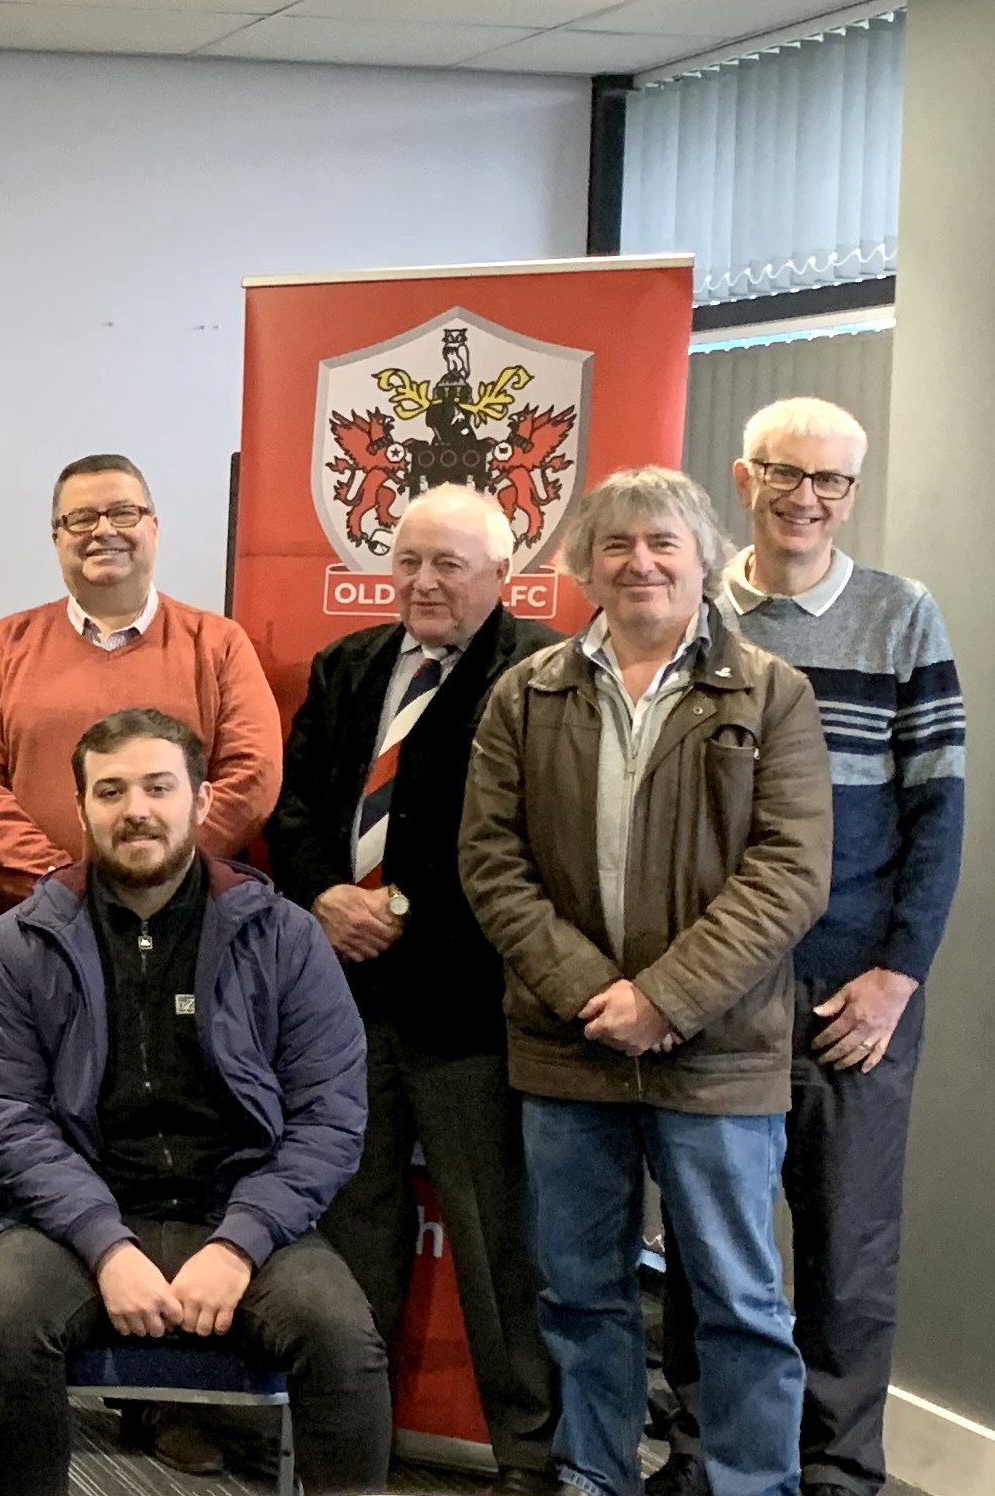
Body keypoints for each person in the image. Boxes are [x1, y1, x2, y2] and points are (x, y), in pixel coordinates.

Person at [459, 466, 832, 1496]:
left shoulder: (771, 690)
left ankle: (754, 1483)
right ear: (582, 565)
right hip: (565, 1049)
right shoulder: (524, 693)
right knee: (579, 1292)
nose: (640, 562)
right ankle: (593, 1473)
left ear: (702, 557)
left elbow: (790, 871)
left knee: (738, 1299)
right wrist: (596, 995)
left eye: (662, 542)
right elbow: (490, 861)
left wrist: (664, 998)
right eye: (616, 544)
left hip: (718, 1054)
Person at [652, 401, 964, 1496]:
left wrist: (896, 976)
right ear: (743, 478)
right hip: (717, 985)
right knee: (706, 1247)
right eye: (787, 474)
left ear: (849, 493)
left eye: (832, 482)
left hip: (853, 991)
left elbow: (938, 813)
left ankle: (837, 1472)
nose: (807, 498)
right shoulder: (692, 611)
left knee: (846, 1254)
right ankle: (702, 1457)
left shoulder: (899, 615)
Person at [0, 707, 387, 1496]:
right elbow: (6, 1117)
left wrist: (239, 1243)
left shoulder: (284, 937)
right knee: (4, 1319)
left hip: (240, 1212)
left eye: (158, 787)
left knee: (340, 1336)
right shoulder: (21, 943)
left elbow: (329, 1119)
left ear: (200, 799)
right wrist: (104, 1243)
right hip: (75, 1221)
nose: (135, 811)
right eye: (111, 791)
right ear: (81, 808)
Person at [264, 485, 561, 1495]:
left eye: (450, 564)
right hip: (341, 1002)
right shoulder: (348, 667)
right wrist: (318, 893)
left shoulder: (538, 671)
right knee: (355, 1227)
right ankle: (358, 1441)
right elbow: (295, 805)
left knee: (492, 1237)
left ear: (502, 575)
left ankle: (526, 1451)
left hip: (467, 1000)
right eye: (408, 561)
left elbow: (524, 839)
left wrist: (388, 913)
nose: (424, 582)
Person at [0, 453, 281, 937]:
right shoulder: (5, 643)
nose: (103, 530)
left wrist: (151, 874)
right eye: (81, 518)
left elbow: (252, 778)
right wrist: (64, 886)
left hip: (181, 935)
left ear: (154, 527)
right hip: (30, 933)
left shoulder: (219, 644)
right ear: (57, 538)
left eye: (123, 513)